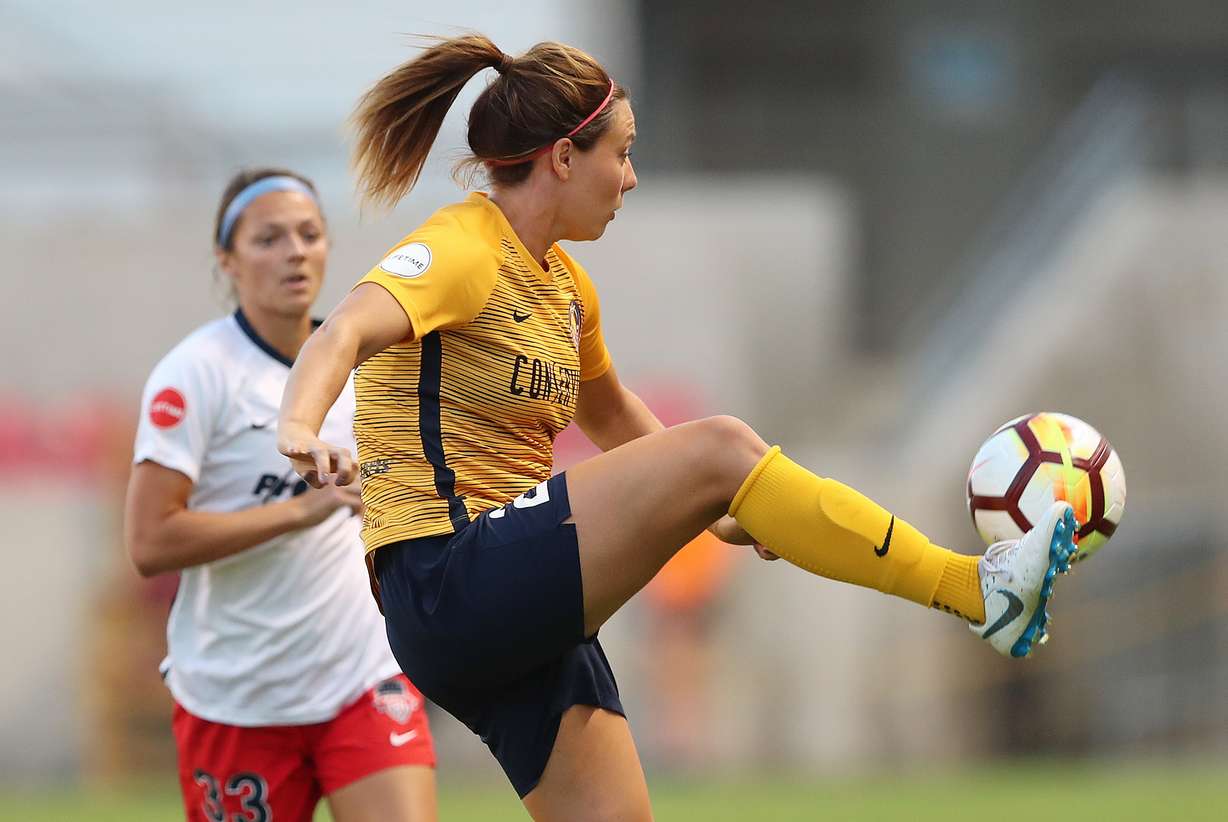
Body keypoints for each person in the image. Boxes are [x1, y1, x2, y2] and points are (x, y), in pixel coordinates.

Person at [277, 35, 1079, 820]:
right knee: (723, 442)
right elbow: (341, 331)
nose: (629, 177)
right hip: (449, 579)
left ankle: (969, 588)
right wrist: (301, 426)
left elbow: (617, 417)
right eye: (619, 152)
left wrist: (730, 507)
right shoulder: (461, 249)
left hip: (513, 604)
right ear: (562, 158)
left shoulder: (565, 289)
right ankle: (975, 589)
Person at [124, 169, 437, 822]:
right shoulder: (198, 373)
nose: (295, 251)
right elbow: (151, 542)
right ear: (227, 260)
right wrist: (303, 509)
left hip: (363, 678)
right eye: (268, 238)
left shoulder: (370, 363)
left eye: (309, 234)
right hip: (237, 698)